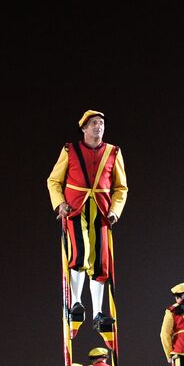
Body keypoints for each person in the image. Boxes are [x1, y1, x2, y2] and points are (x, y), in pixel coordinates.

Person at [47, 110, 128, 333]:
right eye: (93, 123)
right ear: (84, 128)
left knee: (101, 262)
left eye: (101, 123)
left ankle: (98, 313)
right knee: (79, 253)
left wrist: (115, 210)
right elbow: (54, 180)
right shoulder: (69, 150)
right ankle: (75, 303)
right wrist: (60, 203)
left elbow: (121, 187)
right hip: (75, 209)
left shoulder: (113, 152)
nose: (98, 127)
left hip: (101, 212)